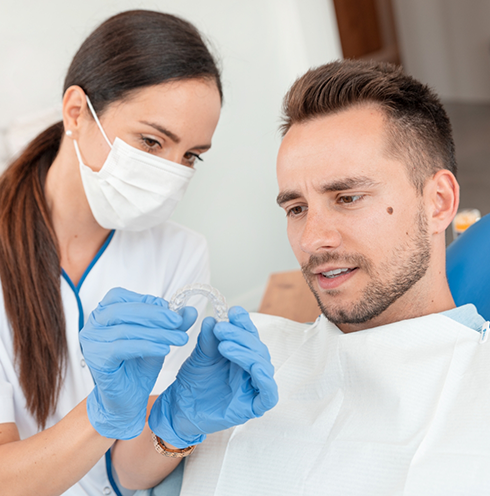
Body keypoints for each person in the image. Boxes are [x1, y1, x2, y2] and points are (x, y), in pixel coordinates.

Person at [154, 60, 490, 495]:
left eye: (348, 197)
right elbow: (127, 478)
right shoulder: (248, 361)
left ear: (439, 204)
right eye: (296, 209)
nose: (313, 239)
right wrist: (171, 429)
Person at [0, 9, 230, 495]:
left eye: (190, 155)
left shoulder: (179, 253)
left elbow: (128, 473)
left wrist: (181, 421)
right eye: (151, 142)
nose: (172, 172)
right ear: (77, 113)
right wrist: (102, 415)